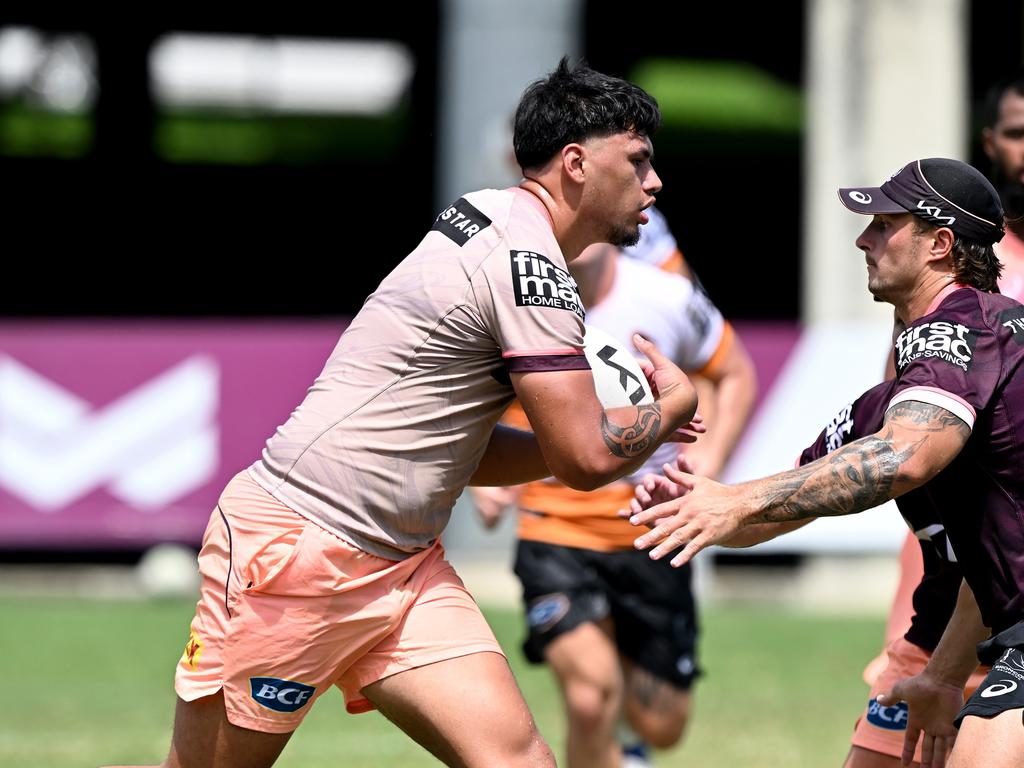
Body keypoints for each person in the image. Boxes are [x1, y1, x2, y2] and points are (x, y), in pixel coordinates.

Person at [132, 58, 701, 768]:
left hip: (401, 568)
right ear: (577, 163)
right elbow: (584, 461)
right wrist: (668, 406)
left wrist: (621, 432)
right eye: (639, 161)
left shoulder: (491, 212)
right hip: (301, 549)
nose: (655, 182)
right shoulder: (531, 271)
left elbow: (482, 450)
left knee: (520, 761)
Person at [628, 157, 1024, 767]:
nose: (863, 239)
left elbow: (904, 458)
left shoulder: (966, 327)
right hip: (965, 631)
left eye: (884, 224)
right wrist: (701, 510)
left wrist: (735, 502)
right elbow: (791, 504)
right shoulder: (889, 402)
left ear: (940, 244)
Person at [471, 241, 755, 768]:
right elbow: (481, 396)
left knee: (662, 724)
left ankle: (629, 747)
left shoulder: (666, 296)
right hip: (554, 531)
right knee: (588, 696)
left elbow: (733, 372)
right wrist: (492, 479)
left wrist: (709, 460)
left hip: (652, 530)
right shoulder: (508, 300)